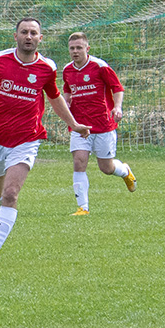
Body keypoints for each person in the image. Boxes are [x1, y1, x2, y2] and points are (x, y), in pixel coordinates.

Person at [0, 18, 91, 268]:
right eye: (24, 32)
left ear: (40, 38)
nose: (28, 36)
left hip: (27, 138)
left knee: (11, 193)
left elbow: (55, 98)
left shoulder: (47, 68)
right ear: (14, 36)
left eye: (33, 33)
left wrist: (75, 124)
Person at [62, 31, 136, 216]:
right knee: (79, 162)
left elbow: (117, 88)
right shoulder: (67, 70)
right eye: (72, 48)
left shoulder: (100, 66)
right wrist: (67, 101)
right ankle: (83, 208)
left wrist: (117, 108)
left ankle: (124, 170)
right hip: (80, 125)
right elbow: (67, 90)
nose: (75, 51)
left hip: (103, 125)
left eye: (79, 48)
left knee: (106, 168)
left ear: (87, 49)